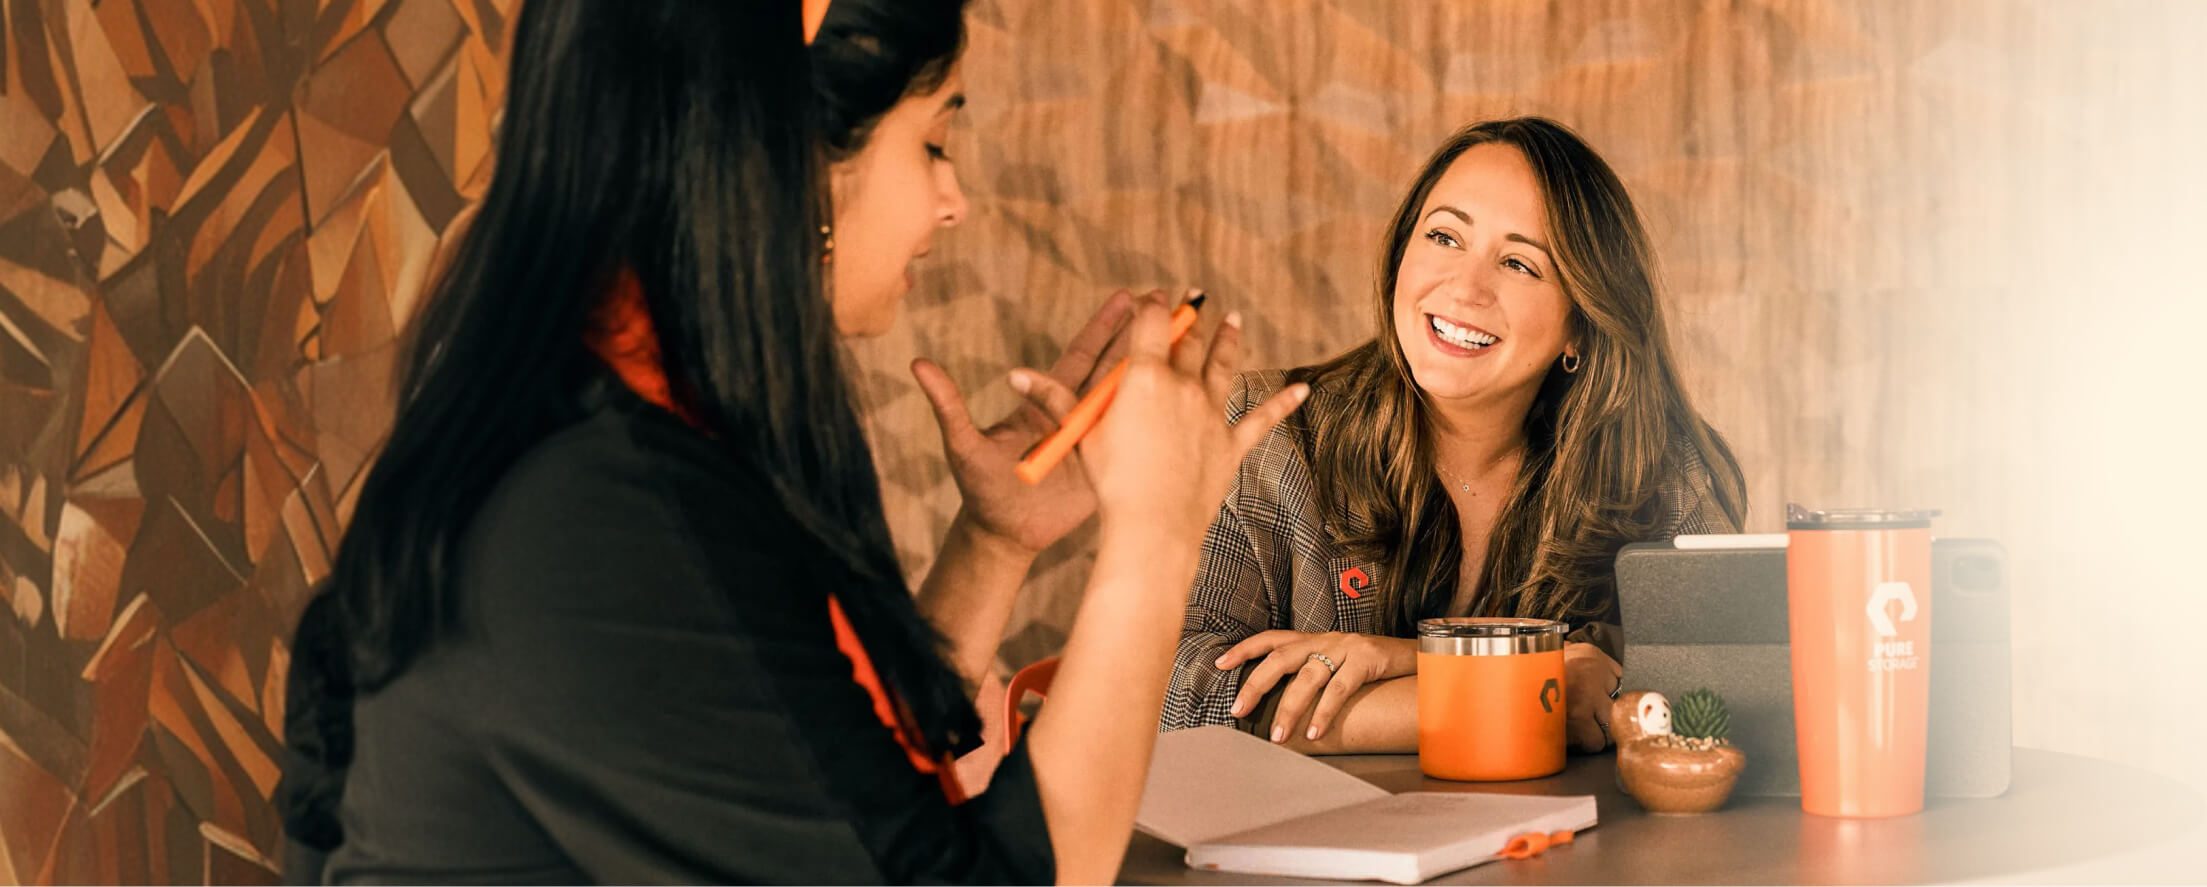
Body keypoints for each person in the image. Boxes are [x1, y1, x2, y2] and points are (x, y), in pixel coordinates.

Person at [269, 0, 1295, 881]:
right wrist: (1155, 535)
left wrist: (996, 542)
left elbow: (811, 779)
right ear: (789, 162)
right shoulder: (597, 520)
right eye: (933, 141)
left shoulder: (621, 433)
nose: (953, 202)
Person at [1157, 118, 1749, 754]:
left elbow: (1726, 693)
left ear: (1582, 323)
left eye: (1520, 264)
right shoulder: (1265, 428)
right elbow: (1171, 697)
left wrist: (1399, 661)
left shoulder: (1657, 469)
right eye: (1443, 236)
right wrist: (1518, 693)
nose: (1466, 289)